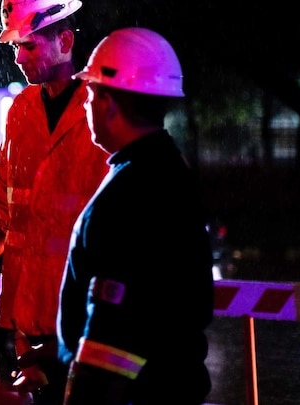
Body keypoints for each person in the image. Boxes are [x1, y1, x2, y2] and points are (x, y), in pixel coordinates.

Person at [0, 0, 109, 404]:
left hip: (87, 326)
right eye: (16, 46)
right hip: (27, 324)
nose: (18, 58)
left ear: (66, 41)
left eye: (29, 45)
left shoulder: (103, 115)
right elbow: (2, 206)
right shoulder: (19, 112)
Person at [55, 27, 214, 403]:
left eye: (91, 92)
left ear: (108, 102)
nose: (85, 103)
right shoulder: (172, 174)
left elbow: (112, 341)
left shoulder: (127, 194)